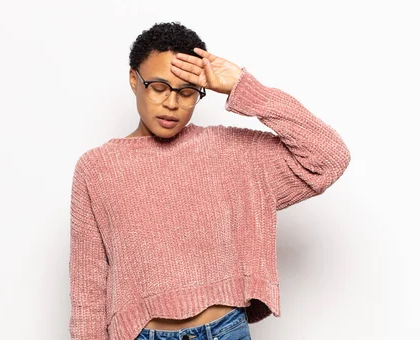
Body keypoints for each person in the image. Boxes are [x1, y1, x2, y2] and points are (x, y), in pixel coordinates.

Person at [69, 22, 351, 340]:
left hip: (226, 331)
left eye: (186, 92)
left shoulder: (229, 151)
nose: (172, 103)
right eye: (159, 87)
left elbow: (328, 158)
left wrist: (242, 88)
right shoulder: (96, 169)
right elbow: (88, 293)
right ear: (134, 80)